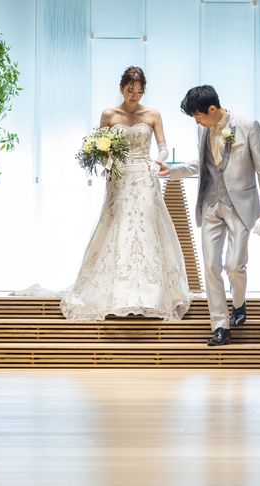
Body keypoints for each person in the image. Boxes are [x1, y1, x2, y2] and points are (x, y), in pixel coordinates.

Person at [61, 66, 192, 320]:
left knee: (146, 226)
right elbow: (100, 149)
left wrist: (158, 161)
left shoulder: (153, 114)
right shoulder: (109, 114)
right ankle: (118, 294)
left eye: (139, 91)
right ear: (122, 88)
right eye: (130, 90)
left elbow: (163, 147)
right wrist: (104, 160)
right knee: (118, 226)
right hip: (119, 177)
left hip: (145, 174)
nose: (135, 95)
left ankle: (151, 295)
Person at [159, 85, 260, 346]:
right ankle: (220, 325)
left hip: (240, 206)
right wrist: (173, 171)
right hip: (210, 205)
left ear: (212, 108)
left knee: (234, 265)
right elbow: (204, 165)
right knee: (211, 265)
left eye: (198, 115)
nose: (196, 121)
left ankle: (239, 304)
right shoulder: (203, 129)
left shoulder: (248, 126)